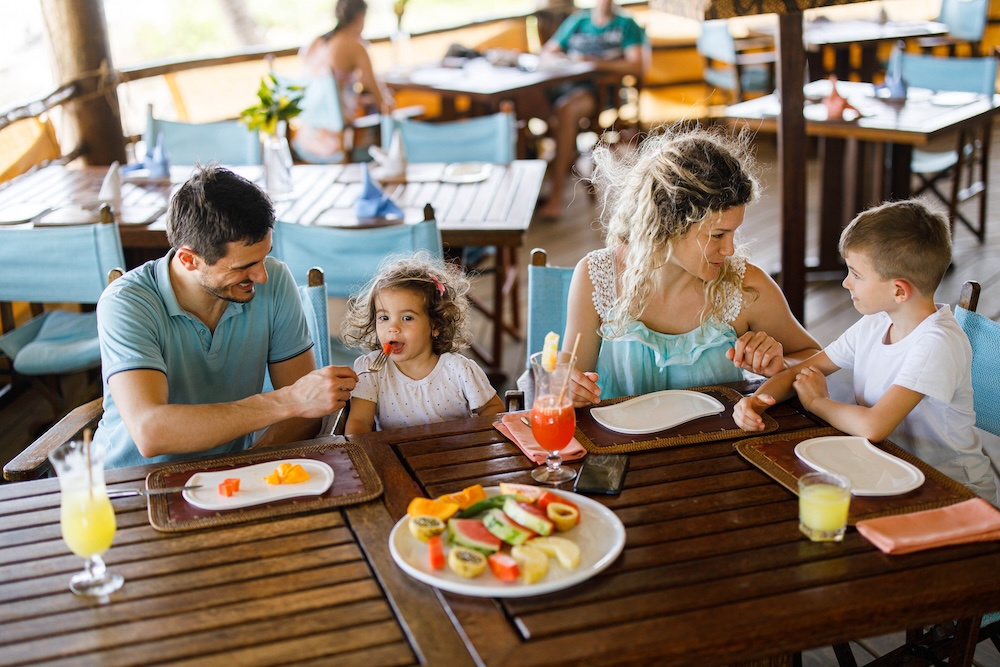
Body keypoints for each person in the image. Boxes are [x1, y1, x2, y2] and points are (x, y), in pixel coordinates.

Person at [734, 199, 999, 505]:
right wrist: (756, 401)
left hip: (952, 493)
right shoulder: (875, 323)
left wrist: (816, 401)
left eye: (856, 275)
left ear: (899, 290)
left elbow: (873, 426)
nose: (846, 282)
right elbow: (800, 371)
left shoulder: (937, 343)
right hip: (891, 470)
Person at [95, 165, 358, 469]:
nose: (260, 276)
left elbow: (306, 412)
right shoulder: (127, 303)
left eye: (264, 256)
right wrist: (288, 400)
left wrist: (249, 467)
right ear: (188, 259)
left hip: (234, 471)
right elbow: (151, 432)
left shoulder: (274, 278)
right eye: (242, 267)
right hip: (133, 483)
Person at [564, 125, 822, 407]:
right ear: (668, 224)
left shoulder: (744, 287)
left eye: (733, 233)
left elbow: (816, 358)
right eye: (717, 235)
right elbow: (566, 379)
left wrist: (781, 364)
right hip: (620, 448)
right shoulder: (598, 277)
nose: (730, 249)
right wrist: (568, 387)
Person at [341, 253, 504, 433]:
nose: (393, 328)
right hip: (393, 458)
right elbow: (359, 422)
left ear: (436, 325)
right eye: (384, 317)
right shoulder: (371, 370)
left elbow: (493, 410)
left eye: (407, 317)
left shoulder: (459, 370)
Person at [537, 0, 650, 220]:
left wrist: (595, 63)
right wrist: (563, 60)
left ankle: (556, 193)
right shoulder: (579, 20)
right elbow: (548, 51)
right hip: (566, 84)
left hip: (599, 93)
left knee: (565, 110)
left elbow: (637, 65)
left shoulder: (626, 24)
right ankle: (532, 187)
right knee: (527, 102)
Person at [291, 0, 394, 163]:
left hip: (305, 139)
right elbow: (380, 97)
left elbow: (322, 96)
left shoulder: (315, 43)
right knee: (386, 120)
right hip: (339, 142)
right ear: (361, 16)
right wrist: (387, 103)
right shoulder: (355, 46)